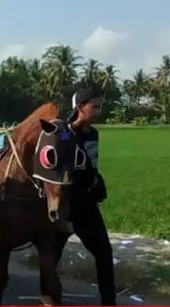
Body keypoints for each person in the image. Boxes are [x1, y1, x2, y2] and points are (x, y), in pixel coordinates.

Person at [62, 85, 116, 306]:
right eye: (94, 107)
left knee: (104, 254)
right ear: (80, 107)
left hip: (86, 205)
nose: (98, 111)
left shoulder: (94, 133)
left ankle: (108, 302)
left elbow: (92, 165)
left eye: (99, 106)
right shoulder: (63, 134)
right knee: (50, 258)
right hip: (64, 206)